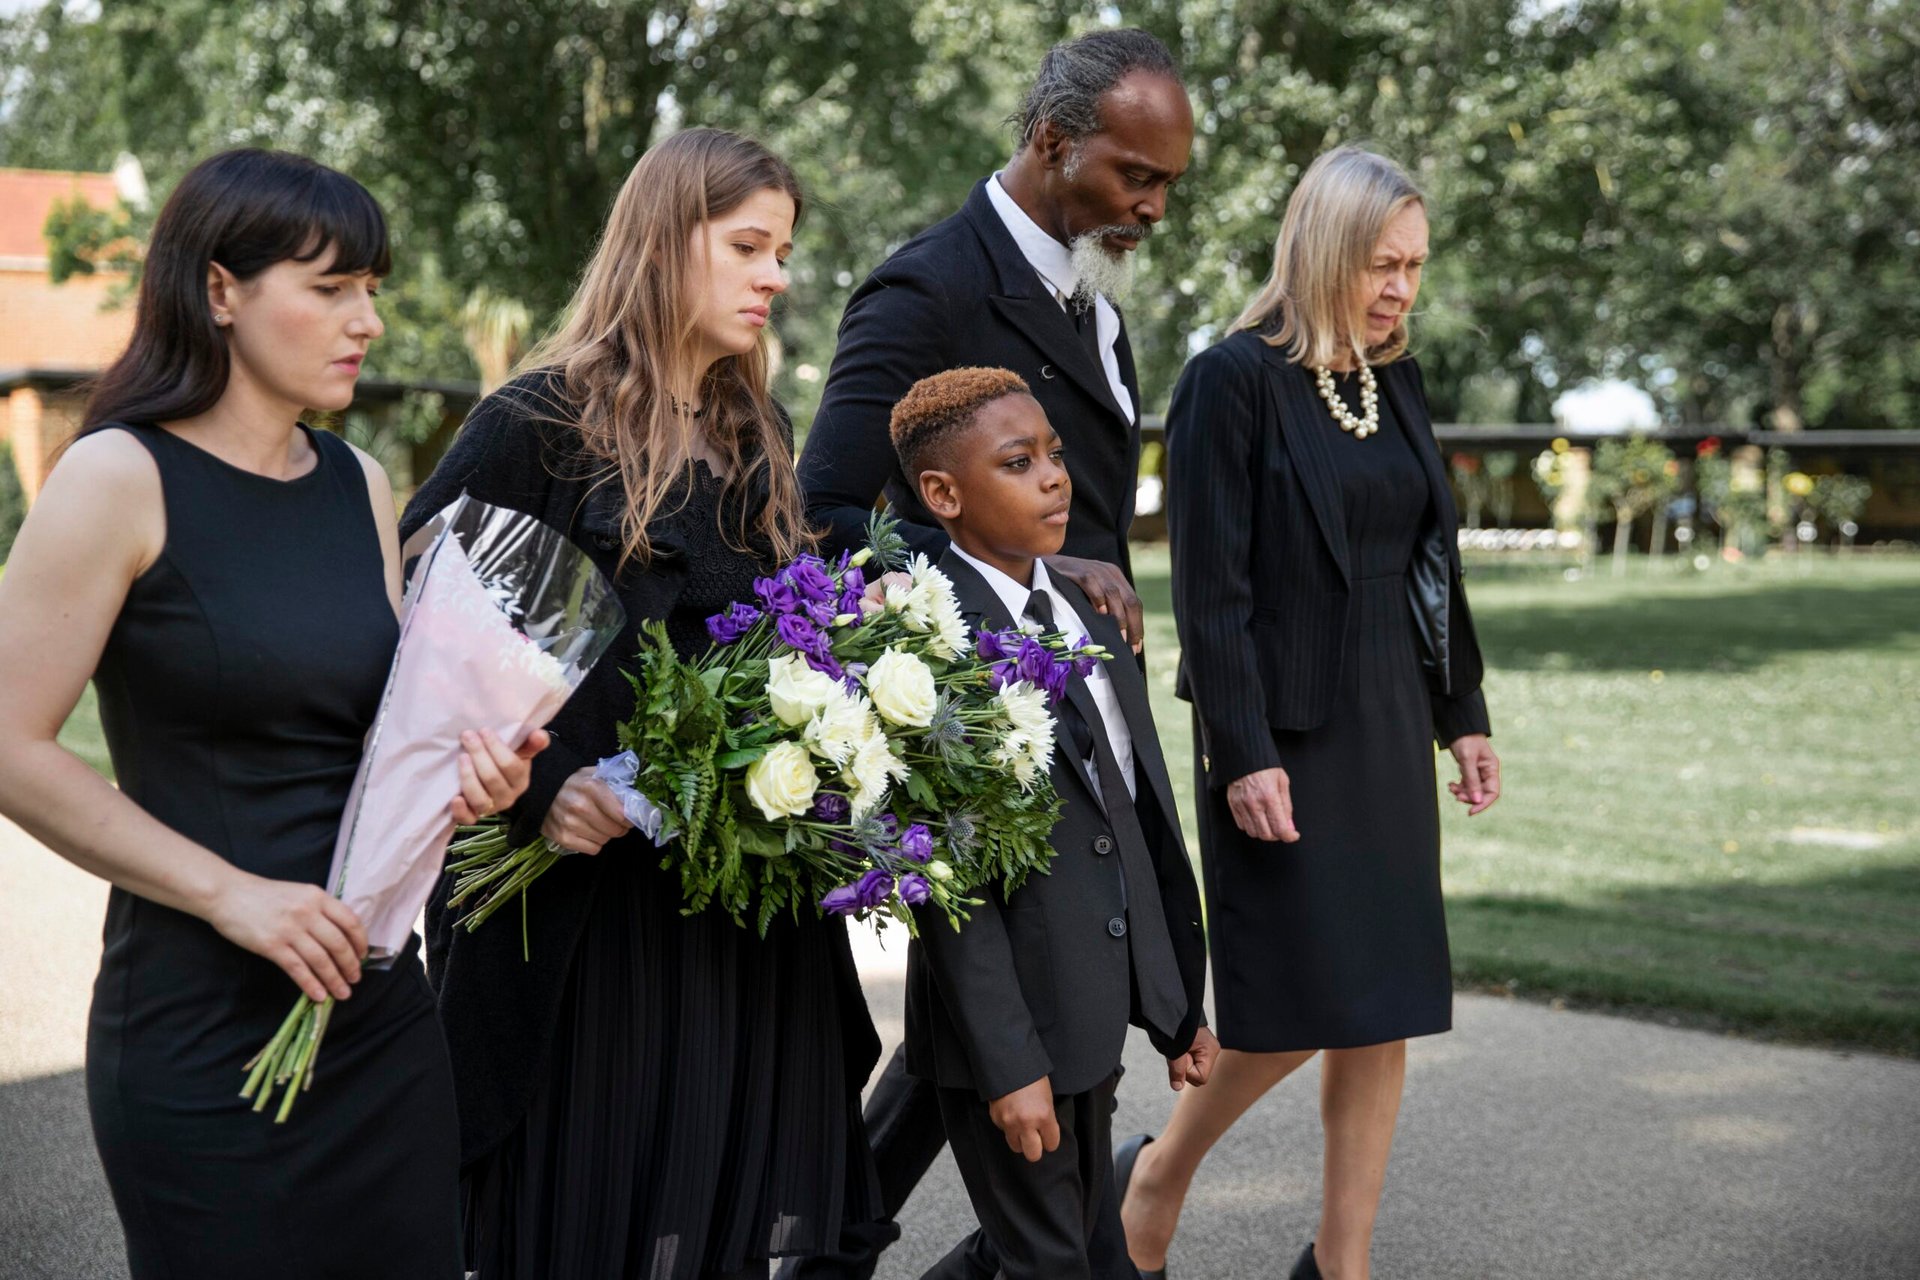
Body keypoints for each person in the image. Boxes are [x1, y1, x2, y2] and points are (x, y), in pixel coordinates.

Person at [0, 148, 542, 1279]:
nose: (368, 322)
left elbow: (377, 744)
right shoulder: (115, 476)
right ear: (219, 290)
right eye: (330, 286)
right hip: (203, 1029)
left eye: (373, 291)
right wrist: (232, 894)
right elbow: (7, 745)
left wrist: (472, 776)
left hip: (379, 1014)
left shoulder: (361, 484)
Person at [400, 127, 881, 1280]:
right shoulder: (536, 425)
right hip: (581, 929)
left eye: (785, 250)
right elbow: (424, 626)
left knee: (714, 1214)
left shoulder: (752, 438)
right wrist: (548, 782)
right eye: (749, 246)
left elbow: (784, 651)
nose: (776, 275)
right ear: (666, 242)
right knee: (585, 1219)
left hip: (725, 916)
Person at [790, 31, 1194, 1278]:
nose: (1152, 205)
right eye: (1134, 174)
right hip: (973, 730)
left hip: (1074, 719)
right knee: (999, 1004)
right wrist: (1010, 578)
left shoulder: (1097, 301)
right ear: (1049, 143)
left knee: (990, 1023)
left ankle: (825, 1253)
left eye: (1170, 184)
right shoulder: (928, 290)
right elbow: (823, 517)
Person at [1120, 146, 1504, 1280]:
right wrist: (1242, 748)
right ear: (1324, 249)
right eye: (1381, 263)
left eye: (1414, 266)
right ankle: (1153, 1176)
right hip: (1284, 729)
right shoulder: (1229, 380)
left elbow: (1434, 566)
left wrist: (1464, 712)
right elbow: (1212, 592)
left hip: (1390, 709)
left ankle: (1342, 1264)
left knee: (1380, 998)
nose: (1400, 287)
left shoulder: (1394, 387)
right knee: (1291, 998)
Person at [889, 367, 1217, 1280]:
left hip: (1094, 1014)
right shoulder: (925, 653)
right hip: (1014, 1035)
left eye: (1056, 455)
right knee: (1054, 1263)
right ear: (944, 495)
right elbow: (947, 890)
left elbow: (1136, 814)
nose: (1054, 478)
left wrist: (1175, 1000)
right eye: (1018, 461)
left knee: (1071, 1251)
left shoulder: (1093, 619)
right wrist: (1007, 1066)